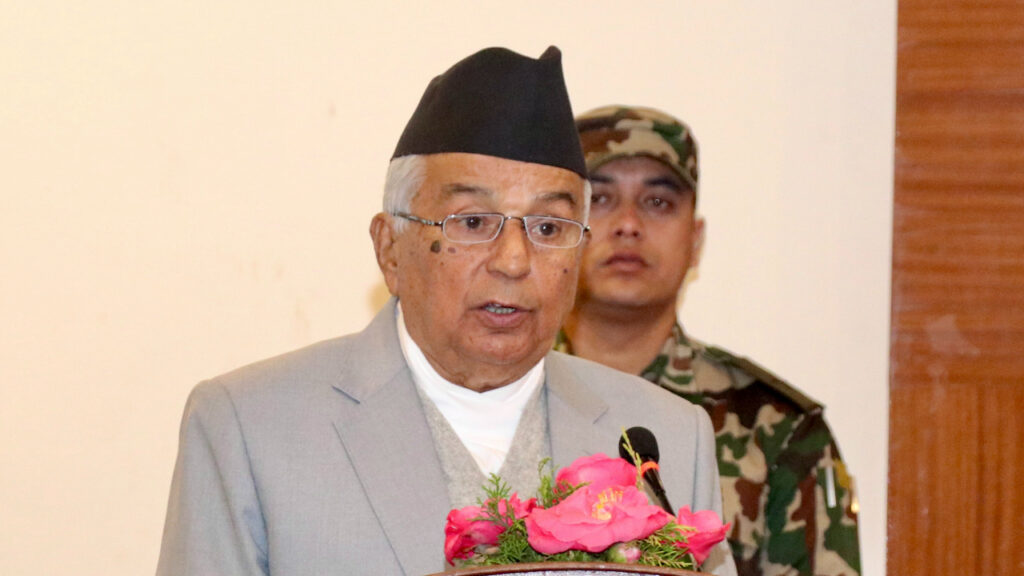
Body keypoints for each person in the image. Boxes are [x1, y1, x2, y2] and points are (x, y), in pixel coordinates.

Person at [156, 52, 736, 576]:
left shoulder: (661, 438)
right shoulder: (251, 427)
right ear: (390, 249)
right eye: (472, 222)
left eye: (548, 227)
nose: (513, 260)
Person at [559, 105, 861, 576]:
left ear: (696, 240)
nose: (628, 224)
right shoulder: (501, 396)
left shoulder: (776, 429)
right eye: (599, 198)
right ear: (555, 230)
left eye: (658, 202)